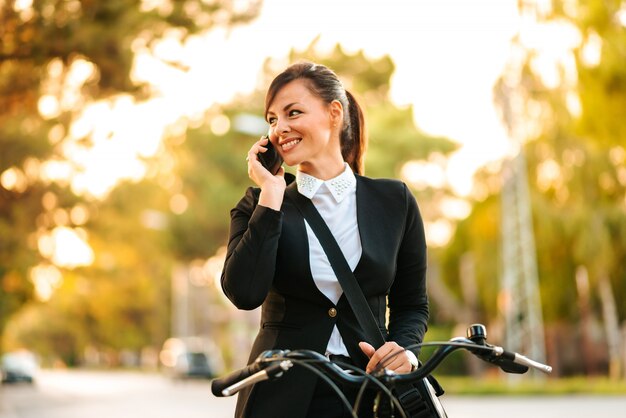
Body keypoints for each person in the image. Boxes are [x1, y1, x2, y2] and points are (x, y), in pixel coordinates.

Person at [221, 62, 429, 418]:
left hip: (371, 393)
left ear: (334, 113)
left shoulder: (394, 202)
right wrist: (271, 192)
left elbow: (412, 305)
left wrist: (405, 353)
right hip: (277, 396)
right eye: (271, 119)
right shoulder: (259, 204)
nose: (279, 128)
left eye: (293, 112)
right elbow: (244, 293)